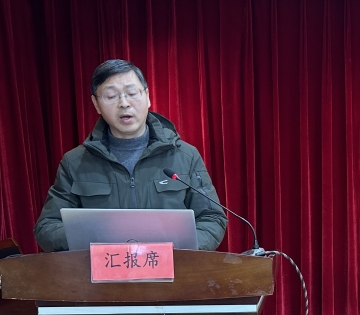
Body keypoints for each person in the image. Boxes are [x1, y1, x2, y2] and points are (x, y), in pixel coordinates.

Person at [34, 59, 227, 252]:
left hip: (173, 268)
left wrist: (178, 253)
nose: (124, 103)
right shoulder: (75, 162)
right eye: (111, 96)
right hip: (103, 268)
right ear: (96, 104)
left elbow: (212, 217)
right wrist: (95, 244)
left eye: (132, 93)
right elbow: (47, 226)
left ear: (147, 97)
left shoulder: (186, 156)